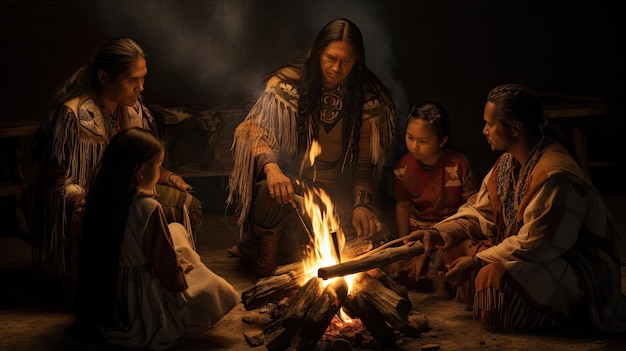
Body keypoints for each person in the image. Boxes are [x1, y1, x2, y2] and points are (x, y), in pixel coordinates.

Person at [404, 83, 626, 332]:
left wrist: (477, 262)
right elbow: (480, 211)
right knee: (453, 247)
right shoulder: (507, 163)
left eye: (490, 124)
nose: (484, 130)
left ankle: (558, 317)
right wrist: (435, 234)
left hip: (573, 268)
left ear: (515, 129)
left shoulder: (555, 175)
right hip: (533, 256)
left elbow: (535, 244)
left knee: (493, 277)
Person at [27, 37, 203, 301]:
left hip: (127, 192)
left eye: (143, 79)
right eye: (133, 80)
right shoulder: (74, 114)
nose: (141, 88)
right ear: (104, 77)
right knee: (123, 215)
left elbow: (144, 161)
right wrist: (80, 199)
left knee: (188, 205)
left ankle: (156, 281)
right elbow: (54, 175)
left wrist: (167, 176)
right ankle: (106, 287)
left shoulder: (134, 110)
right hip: (87, 197)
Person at [226, 18, 396, 278]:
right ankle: (263, 256)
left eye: (346, 61)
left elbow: (366, 163)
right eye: (330, 58)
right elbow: (253, 130)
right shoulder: (286, 84)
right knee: (269, 195)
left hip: (336, 198)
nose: (337, 68)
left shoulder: (369, 97)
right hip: (293, 192)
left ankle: (258, 250)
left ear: (357, 60)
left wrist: (362, 205)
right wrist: (272, 169)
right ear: (318, 52)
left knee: (370, 244)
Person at [72, 127, 238, 350]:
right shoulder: (148, 207)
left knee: (177, 229)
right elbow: (164, 262)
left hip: (109, 286)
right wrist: (182, 276)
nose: (160, 170)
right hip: (141, 295)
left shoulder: (99, 198)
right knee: (218, 289)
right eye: (158, 165)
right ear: (140, 171)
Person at [389, 101, 478, 298]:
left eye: (423, 141)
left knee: (440, 257)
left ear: (442, 140)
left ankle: (440, 289)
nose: (414, 146)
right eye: (410, 137)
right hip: (417, 228)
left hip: (448, 227)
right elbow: (402, 206)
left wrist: (443, 233)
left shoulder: (458, 165)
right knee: (398, 258)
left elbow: (472, 207)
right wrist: (406, 244)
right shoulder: (403, 168)